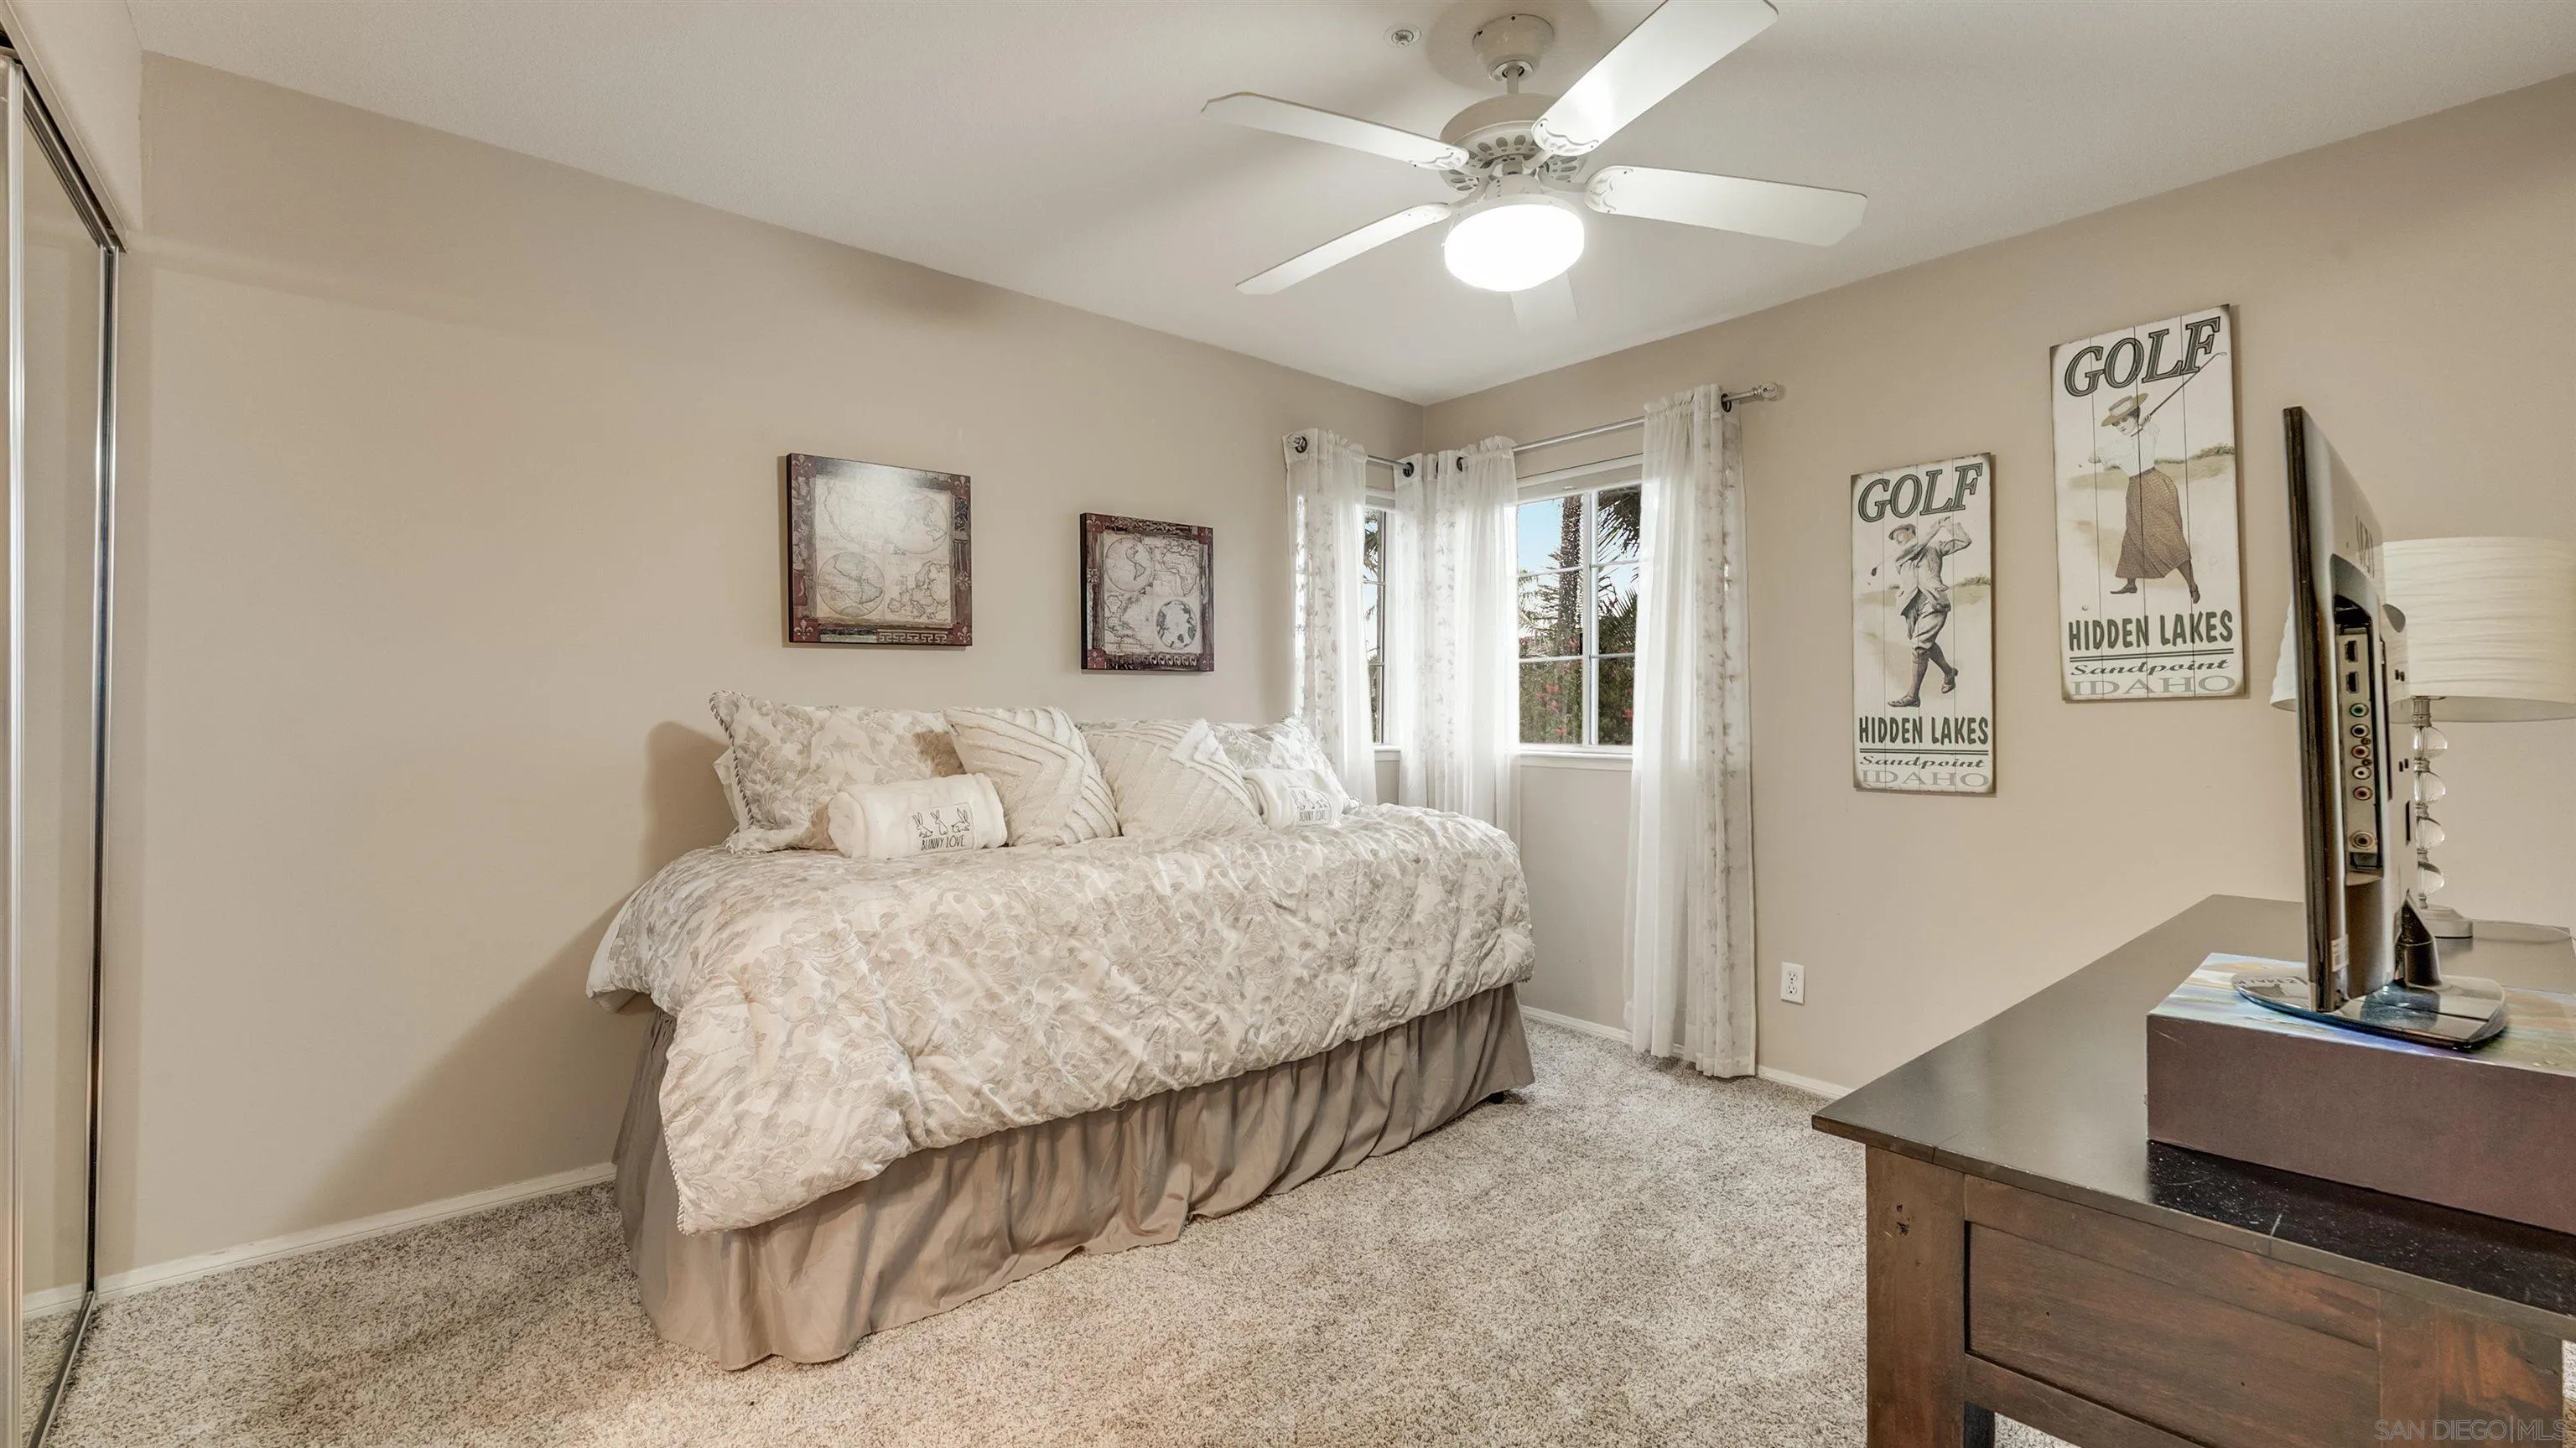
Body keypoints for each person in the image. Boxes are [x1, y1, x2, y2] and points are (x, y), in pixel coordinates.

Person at [1881, 515, 1970, 708]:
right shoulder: (1900, 556)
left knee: (1920, 645)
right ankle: (1949, 672)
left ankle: (1913, 696)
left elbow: (1965, 541)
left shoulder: (1935, 547)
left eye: (1899, 534)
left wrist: (1948, 526)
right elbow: (1914, 547)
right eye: (1894, 537)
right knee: (1924, 645)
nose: (1896, 539)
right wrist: (1935, 528)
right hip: (1911, 608)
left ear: (1911, 531)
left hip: (1934, 602)